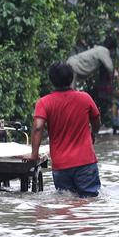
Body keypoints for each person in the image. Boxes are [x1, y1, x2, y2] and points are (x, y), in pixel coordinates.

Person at [26, 62, 101, 197]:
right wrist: (93, 133)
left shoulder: (44, 102)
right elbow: (96, 120)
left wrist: (34, 154)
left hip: (61, 165)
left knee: (65, 204)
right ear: (71, 78)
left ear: (51, 80)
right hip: (86, 163)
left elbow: (37, 128)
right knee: (90, 203)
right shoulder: (85, 98)